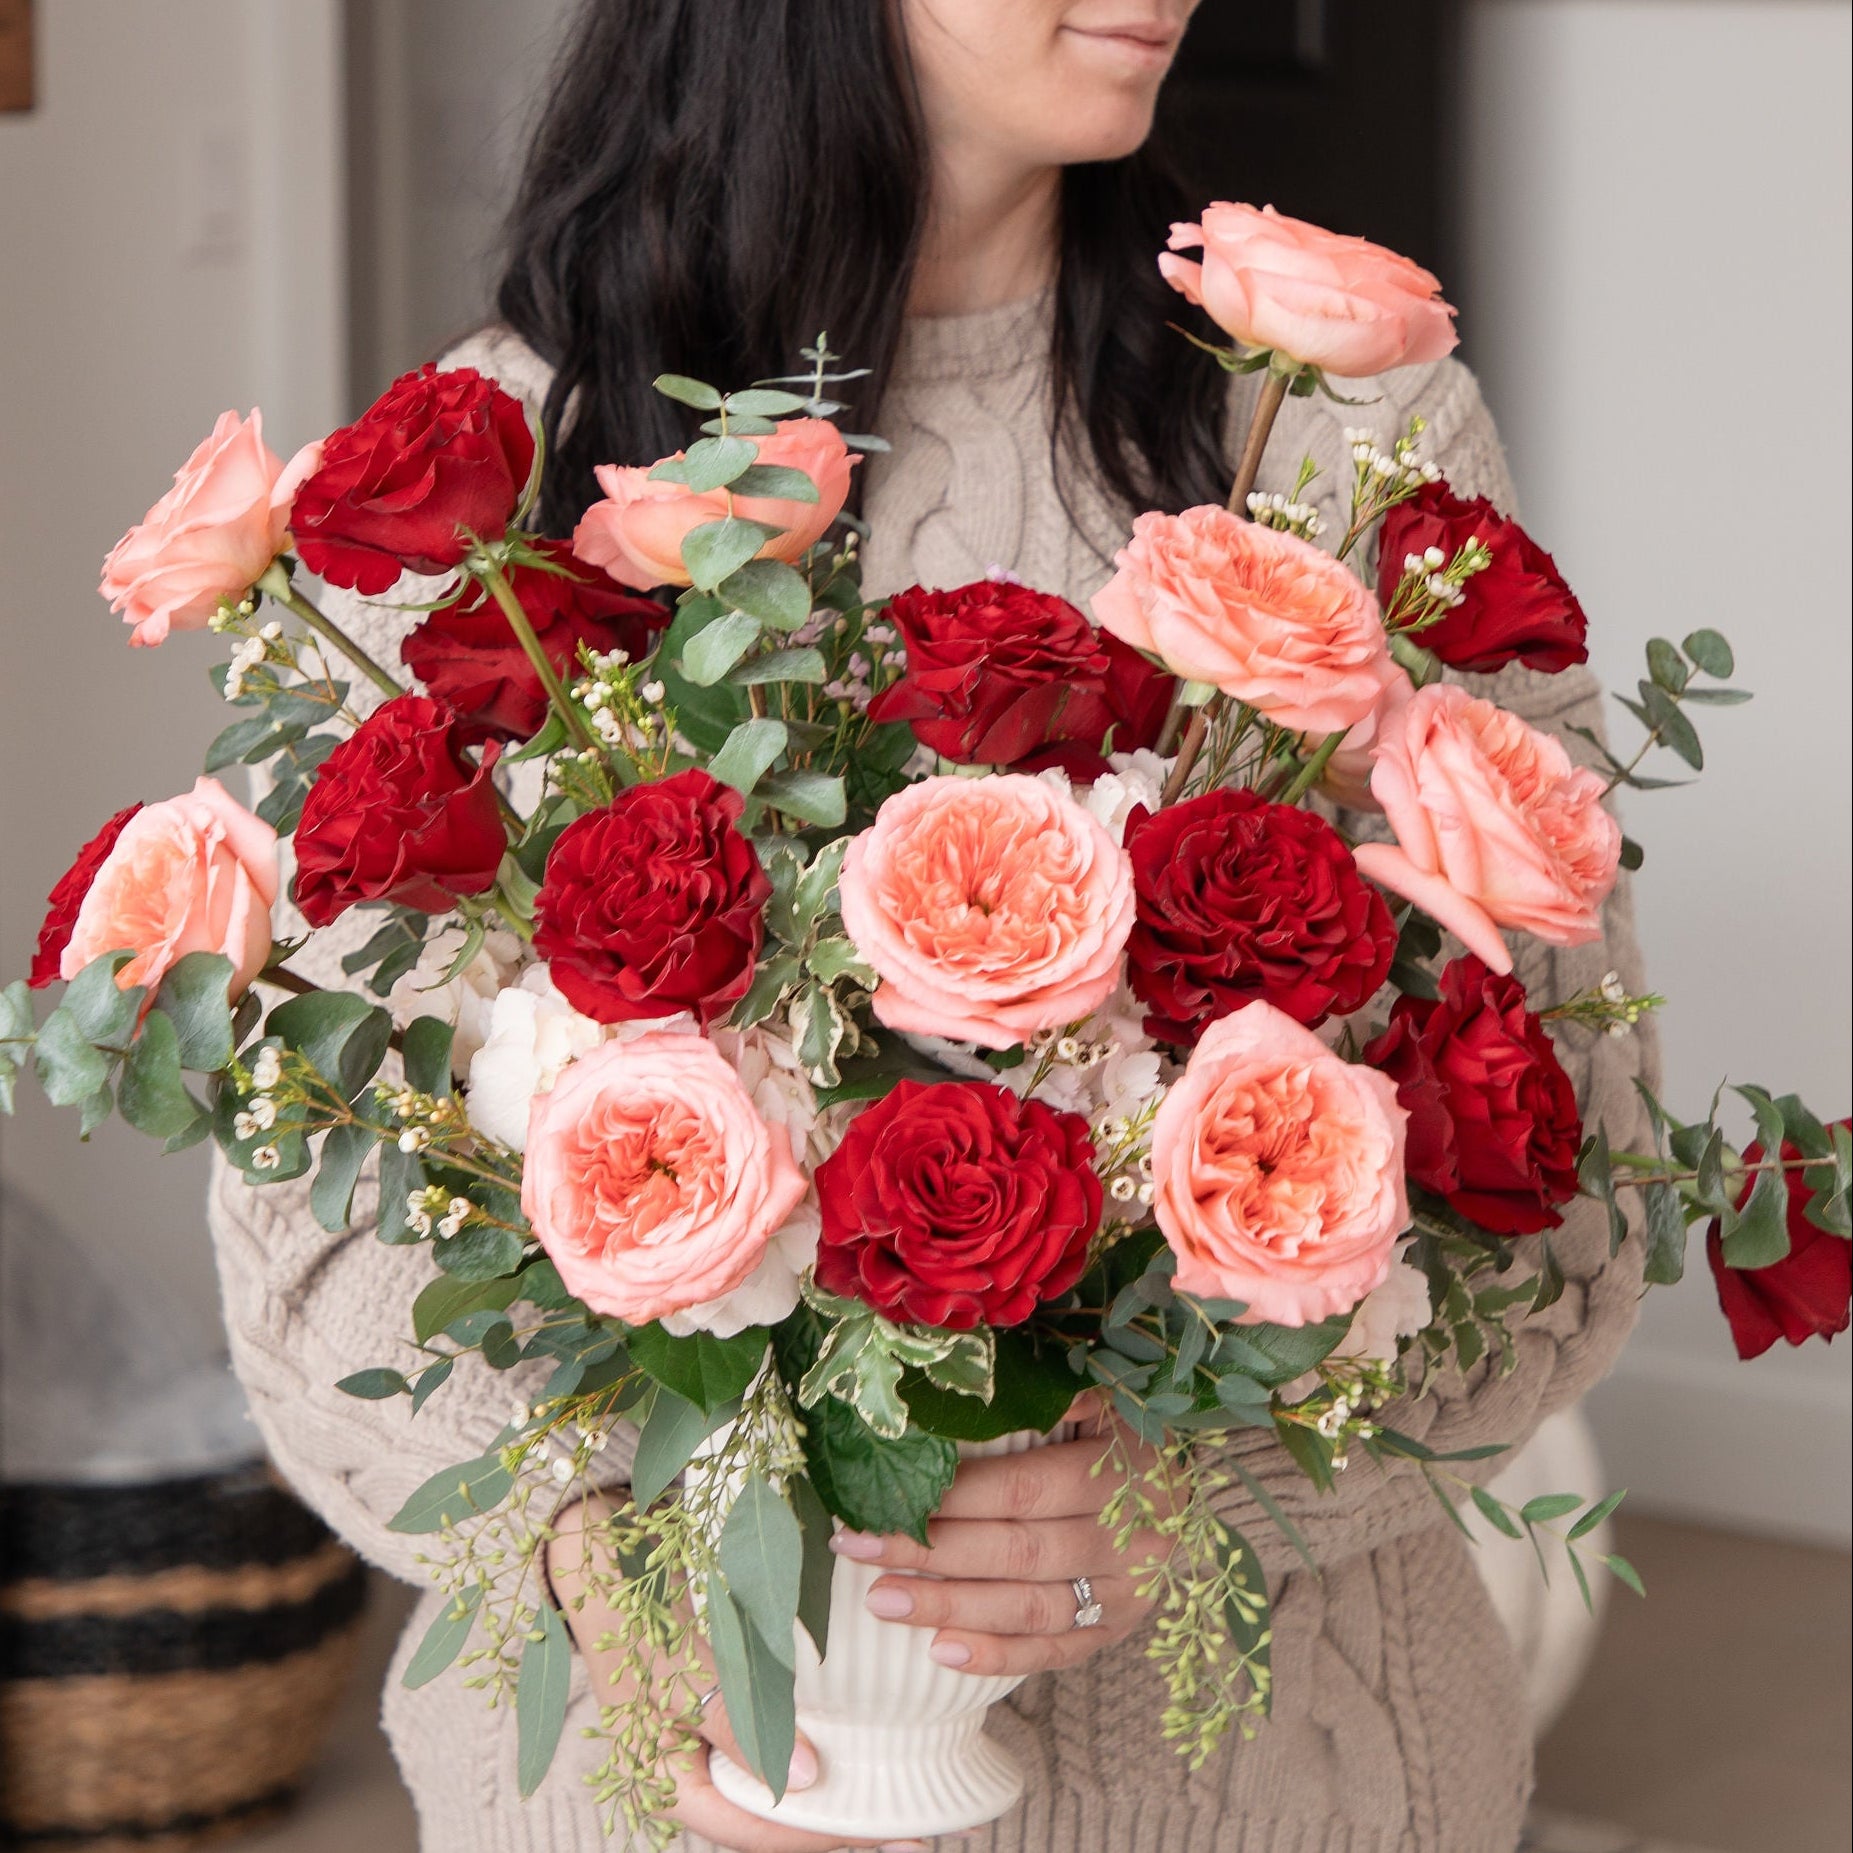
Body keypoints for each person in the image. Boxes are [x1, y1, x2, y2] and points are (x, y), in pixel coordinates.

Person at [208, 3, 1657, 1849]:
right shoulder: (487, 471)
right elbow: (310, 1219)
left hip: (1257, 1781)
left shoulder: (1331, 429)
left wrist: (1211, 1486)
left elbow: (1575, 1157)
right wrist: (609, 1577)